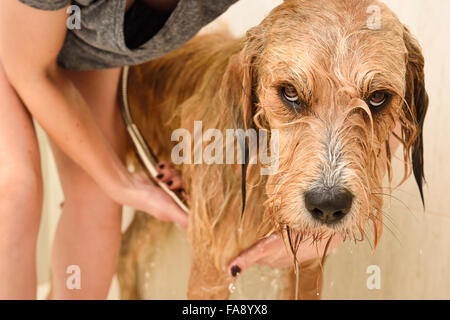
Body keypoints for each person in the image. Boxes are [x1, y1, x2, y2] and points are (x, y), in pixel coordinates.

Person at [0, 0, 400, 300]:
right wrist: (123, 182)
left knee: (94, 203)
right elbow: (30, 68)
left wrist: (340, 205)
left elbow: (364, 47)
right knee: (16, 188)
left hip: (91, 43)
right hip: (18, 37)